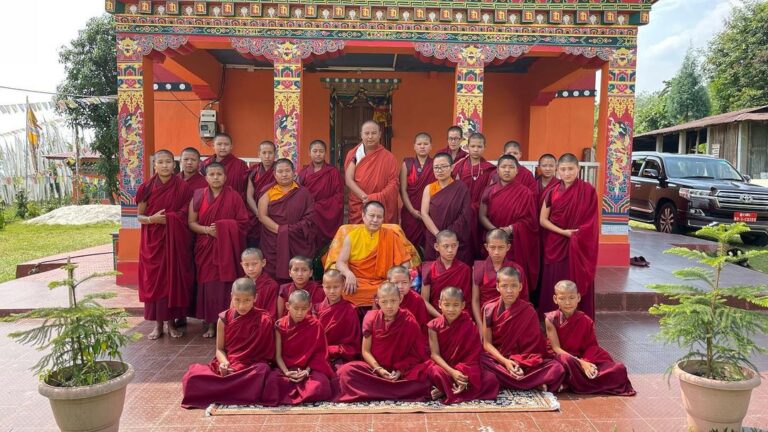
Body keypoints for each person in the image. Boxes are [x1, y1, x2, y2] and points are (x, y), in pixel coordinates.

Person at [181, 278, 275, 409]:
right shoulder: (224, 319)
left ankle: (225, 390)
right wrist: (224, 363)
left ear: (255, 298)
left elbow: (267, 357)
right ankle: (240, 391)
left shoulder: (264, 319)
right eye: (237, 300)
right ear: (231, 297)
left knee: (262, 370)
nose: (242, 305)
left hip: (251, 367)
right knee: (191, 378)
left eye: (247, 300)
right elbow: (219, 349)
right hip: (229, 365)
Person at [337, 283, 431, 402]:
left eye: (393, 301)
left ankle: (373, 392)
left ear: (400, 299)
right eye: (384, 302)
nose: (389, 306)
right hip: (375, 370)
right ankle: (396, 391)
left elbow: (417, 354)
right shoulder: (370, 318)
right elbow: (365, 351)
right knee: (346, 371)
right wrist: (379, 369)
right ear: (377, 301)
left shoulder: (409, 321)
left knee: (426, 376)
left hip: (401, 373)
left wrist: (400, 370)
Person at [136, 149, 194, 340]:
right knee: (154, 281)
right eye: (160, 162)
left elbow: (187, 211)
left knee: (171, 280)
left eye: (168, 162)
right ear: (155, 165)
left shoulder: (182, 187)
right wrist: (152, 219)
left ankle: (171, 324)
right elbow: (139, 216)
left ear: (174, 164)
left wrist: (170, 218)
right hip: (153, 240)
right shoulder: (147, 187)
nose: (165, 166)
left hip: (174, 239)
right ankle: (157, 325)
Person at [189, 162, 250, 338]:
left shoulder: (234, 197)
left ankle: (228, 322)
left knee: (225, 286)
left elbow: (244, 222)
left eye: (219, 174)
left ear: (225, 177)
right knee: (208, 285)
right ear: (206, 177)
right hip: (206, 246)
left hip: (228, 248)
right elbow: (191, 223)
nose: (216, 177)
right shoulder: (198, 196)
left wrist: (224, 228)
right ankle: (210, 325)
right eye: (212, 174)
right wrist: (208, 230)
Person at [481, 267, 566, 392]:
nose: (509, 290)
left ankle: (510, 379)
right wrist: (505, 362)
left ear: (520, 287)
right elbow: (486, 344)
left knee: (557, 367)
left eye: (514, 286)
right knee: (479, 360)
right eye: (504, 286)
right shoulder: (489, 309)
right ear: (498, 287)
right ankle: (532, 382)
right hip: (499, 359)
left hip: (524, 361)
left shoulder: (528, 311)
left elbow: (535, 348)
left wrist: (518, 362)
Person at [545, 281, 635, 395]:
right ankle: (574, 381)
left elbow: (591, 347)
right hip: (561, 359)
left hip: (582, 359)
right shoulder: (551, 319)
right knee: (563, 363)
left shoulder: (585, 320)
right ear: (555, 299)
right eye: (562, 298)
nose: (567, 302)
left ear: (578, 297)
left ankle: (569, 383)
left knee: (619, 369)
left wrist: (588, 362)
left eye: (572, 297)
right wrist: (581, 363)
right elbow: (556, 348)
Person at [539, 153, 599, 319]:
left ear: (578, 169)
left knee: (574, 281)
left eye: (571, 169)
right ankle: (553, 319)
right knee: (555, 280)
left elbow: (592, 221)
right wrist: (563, 233)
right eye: (563, 169)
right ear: (558, 171)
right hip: (556, 243)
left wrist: (577, 235)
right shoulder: (552, 192)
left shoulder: (588, 191)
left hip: (578, 245)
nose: (567, 173)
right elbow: (542, 220)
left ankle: (579, 319)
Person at [328, 201, 412, 307]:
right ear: (363, 215)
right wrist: (348, 274)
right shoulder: (352, 237)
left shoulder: (391, 236)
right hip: (359, 282)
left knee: (391, 290)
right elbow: (340, 262)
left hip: (385, 281)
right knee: (346, 290)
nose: (375, 220)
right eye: (372, 216)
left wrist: (395, 279)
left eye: (379, 217)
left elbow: (405, 262)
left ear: (383, 218)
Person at [263, 289, 336, 406]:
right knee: (272, 382)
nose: (299, 313)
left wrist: (306, 372)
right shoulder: (280, 325)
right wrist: (287, 372)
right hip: (285, 369)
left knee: (321, 384)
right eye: (296, 308)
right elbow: (277, 355)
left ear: (310, 307)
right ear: (287, 306)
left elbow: (319, 354)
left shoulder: (315, 324)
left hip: (308, 370)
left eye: (304, 309)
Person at [426, 287, 499, 404]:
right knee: (434, 371)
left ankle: (446, 388)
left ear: (463, 305)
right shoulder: (433, 326)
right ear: (440, 304)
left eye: (455, 305)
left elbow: (473, 356)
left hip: (465, 367)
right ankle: (453, 387)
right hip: (445, 367)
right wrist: (452, 372)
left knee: (491, 380)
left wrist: (462, 373)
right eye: (447, 304)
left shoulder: (469, 325)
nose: (451, 309)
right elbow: (435, 355)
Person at [479, 154, 540, 294]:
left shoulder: (526, 194)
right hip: (494, 242)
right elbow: (481, 216)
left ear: (517, 170)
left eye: (511, 167)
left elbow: (531, 222)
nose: (507, 170)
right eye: (503, 167)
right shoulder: (489, 190)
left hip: (515, 243)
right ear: (497, 170)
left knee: (514, 279)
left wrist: (509, 229)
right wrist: (496, 232)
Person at [258, 158, 316, 281]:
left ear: (294, 172)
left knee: (298, 269)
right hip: (273, 238)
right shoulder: (267, 192)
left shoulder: (303, 192)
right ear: (274, 174)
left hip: (297, 238)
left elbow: (310, 217)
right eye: (280, 171)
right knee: (273, 275)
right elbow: (262, 216)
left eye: (287, 171)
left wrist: (290, 230)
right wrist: (281, 230)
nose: (284, 174)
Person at [421, 152, 473, 265]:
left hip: (456, 237)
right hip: (434, 237)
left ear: (452, 167)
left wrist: (449, 235)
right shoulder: (429, 188)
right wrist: (438, 234)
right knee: (434, 270)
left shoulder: (461, 187)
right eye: (436, 167)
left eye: (443, 166)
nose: (439, 170)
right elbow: (424, 213)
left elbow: (465, 215)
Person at [344, 120, 400, 224]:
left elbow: (393, 183)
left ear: (379, 134)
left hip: (380, 205)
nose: (370, 137)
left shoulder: (389, 157)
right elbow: (348, 179)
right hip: (359, 202)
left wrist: (374, 198)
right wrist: (365, 197)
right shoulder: (355, 154)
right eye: (366, 133)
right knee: (359, 235)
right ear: (361, 135)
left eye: (374, 133)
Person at [452, 133, 496, 259]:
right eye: (473, 146)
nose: (476, 149)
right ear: (467, 147)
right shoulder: (459, 167)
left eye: (479, 146)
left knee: (478, 245)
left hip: (480, 212)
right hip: (461, 212)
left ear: (484, 147)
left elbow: (490, 193)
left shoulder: (490, 169)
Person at [472, 230, 528, 326]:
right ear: (486, 247)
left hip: (511, 317)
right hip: (485, 318)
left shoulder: (517, 269)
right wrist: (480, 325)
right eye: (492, 248)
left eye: (501, 247)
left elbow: (523, 299)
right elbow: (475, 300)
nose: (496, 252)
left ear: (508, 247)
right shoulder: (478, 268)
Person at [297, 140, 344, 250]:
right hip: (308, 214)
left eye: (321, 151)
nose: (318, 154)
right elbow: (298, 195)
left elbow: (339, 196)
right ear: (309, 152)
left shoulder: (333, 172)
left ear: (325, 153)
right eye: (315, 151)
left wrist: (319, 207)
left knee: (326, 247)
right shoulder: (304, 173)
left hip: (326, 214)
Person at [421, 230, 472, 318]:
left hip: (459, 316)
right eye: (446, 246)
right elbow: (424, 301)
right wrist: (441, 318)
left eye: (453, 246)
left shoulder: (465, 269)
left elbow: (466, 301)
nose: (450, 250)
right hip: (436, 316)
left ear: (458, 245)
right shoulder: (428, 269)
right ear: (437, 247)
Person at [317, 269, 362, 366]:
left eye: (336, 287)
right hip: (319, 354)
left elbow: (354, 345)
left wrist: (332, 350)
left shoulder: (351, 310)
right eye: (328, 287)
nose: (332, 291)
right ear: (323, 287)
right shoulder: (316, 309)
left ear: (343, 286)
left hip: (341, 357)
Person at [400, 132, 435, 249]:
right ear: (414, 146)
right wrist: (411, 210)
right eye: (419, 144)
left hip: (431, 212)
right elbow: (403, 190)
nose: (422, 146)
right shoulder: (407, 164)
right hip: (410, 211)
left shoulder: (435, 164)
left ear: (431, 146)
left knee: (429, 242)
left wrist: (427, 211)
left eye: (426, 144)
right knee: (409, 244)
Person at [245, 140, 277, 246]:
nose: (267, 156)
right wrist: (258, 213)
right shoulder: (254, 171)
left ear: (275, 154)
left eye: (270, 153)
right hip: (256, 214)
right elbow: (249, 196)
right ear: (259, 154)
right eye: (264, 153)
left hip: (274, 214)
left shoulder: (280, 170)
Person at [383, 265, 429, 335]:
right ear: (388, 283)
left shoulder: (417, 300)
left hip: (411, 337)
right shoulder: (382, 298)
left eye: (404, 282)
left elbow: (423, 327)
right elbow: (377, 324)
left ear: (410, 283)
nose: (400, 287)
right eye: (396, 283)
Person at [240, 248, 280, 321]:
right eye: (246, 265)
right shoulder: (239, 284)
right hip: (242, 323)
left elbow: (271, 313)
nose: (250, 268)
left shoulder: (271, 285)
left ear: (263, 263)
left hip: (262, 324)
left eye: (254, 264)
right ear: (242, 265)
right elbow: (233, 309)